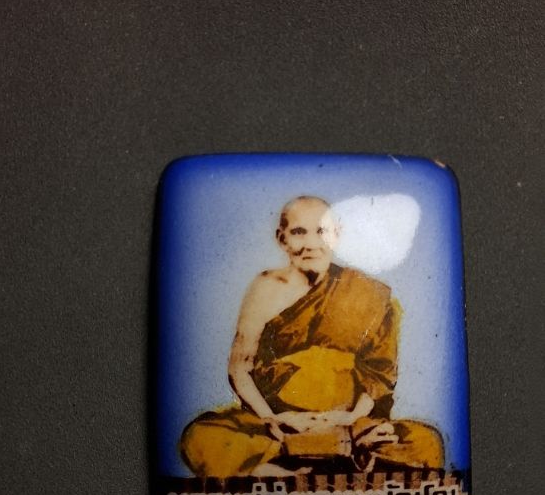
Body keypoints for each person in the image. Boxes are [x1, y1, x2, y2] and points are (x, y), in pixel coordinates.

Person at [179, 196, 443, 477]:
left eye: (321, 231)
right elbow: (239, 368)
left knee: (426, 441)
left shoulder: (368, 292)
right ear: (281, 239)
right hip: (281, 425)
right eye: (298, 232)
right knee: (200, 436)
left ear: (337, 235)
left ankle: (302, 461)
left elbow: (378, 376)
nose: (311, 244)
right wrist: (270, 417)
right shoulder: (265, 289)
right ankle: (322, 460)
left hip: (350, 424)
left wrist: (349, 418)